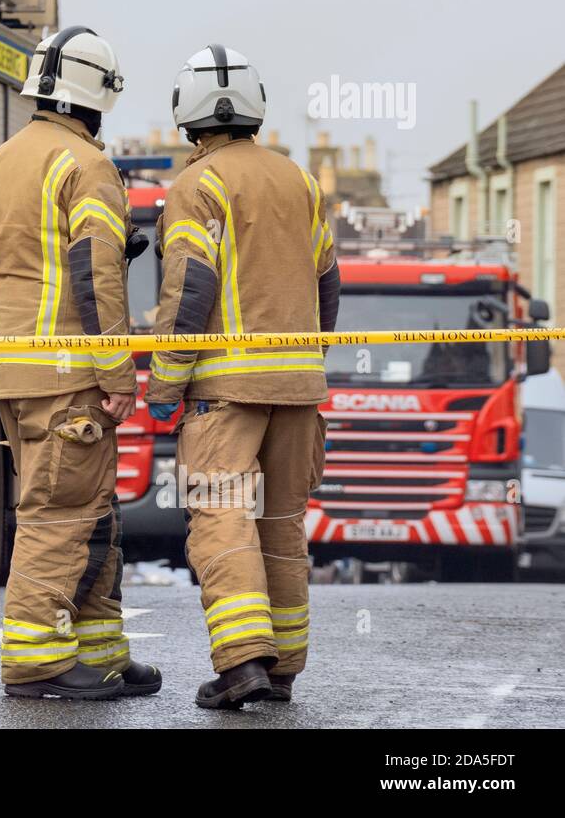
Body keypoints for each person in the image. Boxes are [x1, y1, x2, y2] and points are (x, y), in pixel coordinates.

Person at [0, 26, 159, 700]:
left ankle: (100, 650)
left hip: (16, 378)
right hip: (71, 378)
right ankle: (38, 662)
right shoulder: (88, 166)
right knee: (60, 518)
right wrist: (117, 373)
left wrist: (11, 353)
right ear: (93, 100)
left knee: (90, 514)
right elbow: (96, 274)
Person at [145, 44, 340, 709]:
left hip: (226, 392)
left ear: (188, 116)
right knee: (282, 524)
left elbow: (189, 292)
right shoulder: (300, 182)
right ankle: (282, 666)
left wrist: (165, 384)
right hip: (297, 390)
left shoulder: (197, 186)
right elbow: (326, 282)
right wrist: (313, 362)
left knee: (221, 520)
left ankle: (241, 662)